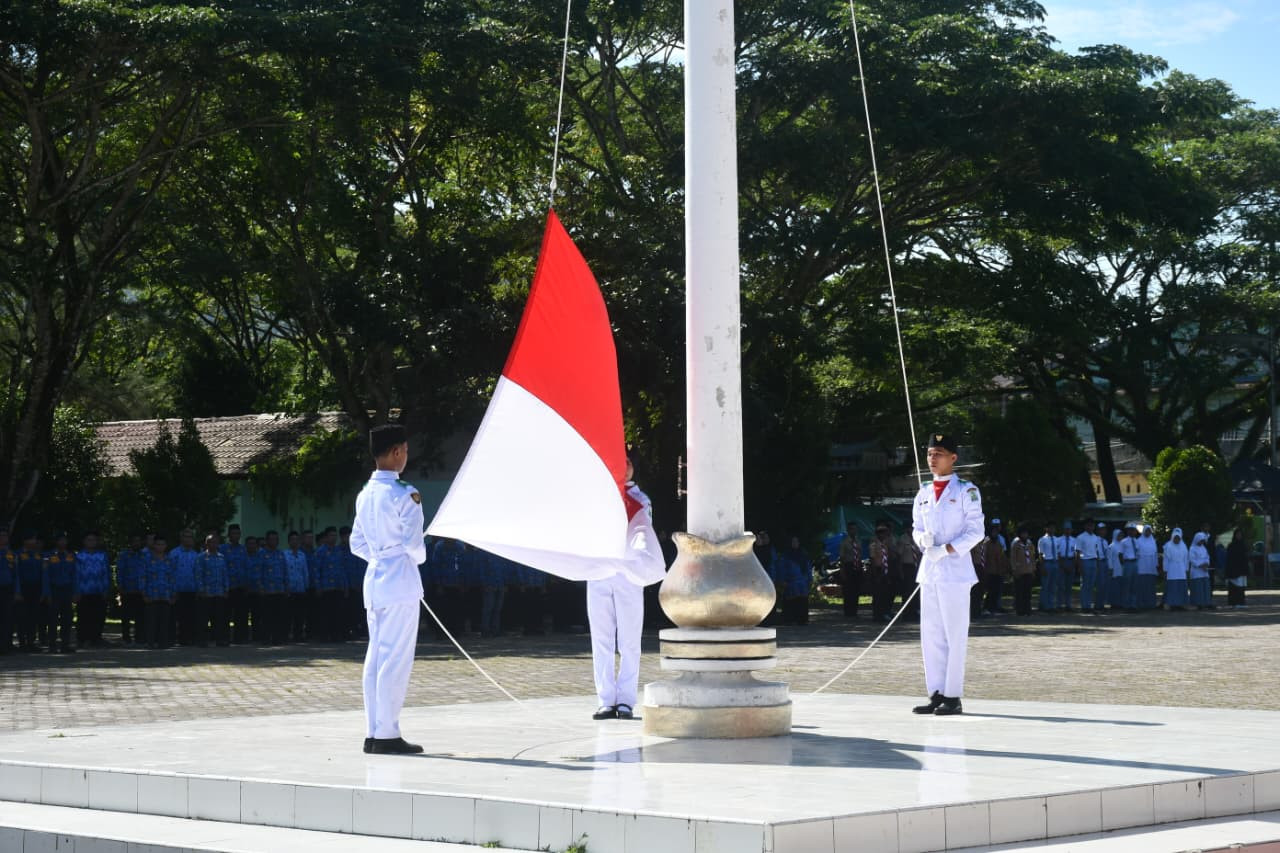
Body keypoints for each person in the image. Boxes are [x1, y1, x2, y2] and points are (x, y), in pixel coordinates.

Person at [350, 423, 426, 754]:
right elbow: (415, 547)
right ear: (396, 452)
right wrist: (406, 558)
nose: (406, 457)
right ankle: (387, 733)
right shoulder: (404, 493)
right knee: (394, 659)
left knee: (376, 657)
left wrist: (380, 558)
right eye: (405, 451)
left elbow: (356, 543)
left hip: (376, 579)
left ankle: (374, 730)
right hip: (400, 582)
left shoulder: (365, 494)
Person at [911, 433, 984, 716]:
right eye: (930, 453)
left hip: (955, 570)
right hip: (929, 570)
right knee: (931, 634)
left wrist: (947, 549)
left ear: (953, 457)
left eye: (938, 453)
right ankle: (936, 692)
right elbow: (916, 527)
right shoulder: (923, 491)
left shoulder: (967, 490)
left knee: (955, 634)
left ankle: (953, 695)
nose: (932, 459)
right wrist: (923, 542)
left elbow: (976, 531)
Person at [586, 458, 654, 720]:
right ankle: (605, 699)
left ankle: (625, 700)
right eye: (619, 462)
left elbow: (643, 531)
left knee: (629, 639)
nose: (623, 467)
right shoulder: (597, 496)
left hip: (628, 573)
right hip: (600, 571)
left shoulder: (640, 499)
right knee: (601, 638)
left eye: (627, 462)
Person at [42, 533, 77, 653]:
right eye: (60, 540)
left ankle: (65, 645)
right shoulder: (48, 556)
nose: (63, 543)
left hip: (67, 590)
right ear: (56, 542)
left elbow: (74, 575)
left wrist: (75, 592)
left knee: (67, 619)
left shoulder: (71, 556)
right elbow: (45, 575)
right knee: (52, 619)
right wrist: (47, 593)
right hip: (54, 590)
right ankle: (52, 645)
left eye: (65, 540)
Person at [75, 532, 111, 647]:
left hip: (99, 590)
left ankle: (96, 638)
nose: (91, 542)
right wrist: (76, 591)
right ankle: (82, 639)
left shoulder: (102, 555)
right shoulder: (79, 556)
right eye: (89, 540)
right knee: (83, 616)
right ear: (84, 541)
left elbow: (106, 572)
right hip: (84, 591)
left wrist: (106, 589)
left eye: (93, 540)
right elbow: (76, 574)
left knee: (99, 615)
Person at [143, 535, 176, 649]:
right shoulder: (147, 559)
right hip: (152, 594)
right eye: (158, 544)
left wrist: (173, 594)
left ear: (166, 546)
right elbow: (142, 577)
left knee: (164, 620)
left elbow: (173, 578)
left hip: (166, 595)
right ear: (154, 545)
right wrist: (144, 593)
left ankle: (163, 642)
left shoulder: (170, 560)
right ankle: (150, 642)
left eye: (162, 544)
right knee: (151, 620)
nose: (160, 546)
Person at [198, 533, 230, 646]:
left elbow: (225, 574)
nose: (213, 544)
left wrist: (226, 589)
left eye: (216, 542)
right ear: (206, 544)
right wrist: (201, 590)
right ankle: (203, 640)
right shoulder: (201, 557)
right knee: (204, 618)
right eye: (211, 542)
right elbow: (198, 575)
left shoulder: (221, 557)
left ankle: (220, 639)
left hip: (219, 592)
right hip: (207, 593)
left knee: (219, 618)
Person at [15, 533, 46, 651]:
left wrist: (43, 592)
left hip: (36, 589)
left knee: (34, 616)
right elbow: (16, 574)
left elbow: (43, 574)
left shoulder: (38, 555)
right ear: (25, 541)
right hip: (23, 588)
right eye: (32, 539)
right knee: (22, 616)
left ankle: (31, 642)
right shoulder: (18, 554)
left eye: (35, 539)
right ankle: (22, 643)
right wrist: (18, 591)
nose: (34, 542)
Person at [170, 530, 201, 646]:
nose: (189, 539)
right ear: (181, 538)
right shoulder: (174, 554)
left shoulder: (196, 555)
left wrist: (199, 589)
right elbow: (170, 572)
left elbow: (198, 573)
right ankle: (178, 638)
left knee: (191, 616)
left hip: (192, 590)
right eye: (186, 536)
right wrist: (172, 590)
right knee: (179, 616)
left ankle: (190, 638)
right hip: (178, 590)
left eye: (191, 537)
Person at [773, 536, 812, 626]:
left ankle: (802, 619)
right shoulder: (786, 555)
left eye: (796, 541)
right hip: (790, 582)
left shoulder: (803, 554)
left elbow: (808, 568)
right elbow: (781, 569)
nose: (795, 543)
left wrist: (809, 579)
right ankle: (789, 619)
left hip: (802, 583)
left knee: (802, 601)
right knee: (790, 601)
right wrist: (782, 580)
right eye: (793, 542)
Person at [221, 524, 250, 644]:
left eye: (238, 533)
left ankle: (240, 638)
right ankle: (225, 638)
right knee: (226, 614)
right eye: (233, 533)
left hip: (241, 586)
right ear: (229, 535)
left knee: (241, 614)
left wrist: (247, 583)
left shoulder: (243, 549)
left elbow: (246, 566)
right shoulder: (223, 549)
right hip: (228, 586)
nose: (236, 536)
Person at [258, 531, 288, 644]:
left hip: (279, 589)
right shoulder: (261, 554)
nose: (274, 541)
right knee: (267, 616)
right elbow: (259, 571)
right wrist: (260, 587)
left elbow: (285, 571)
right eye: (271, 539)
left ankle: (277, 637)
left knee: (279, 615)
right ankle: (266, 637)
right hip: (267, 590)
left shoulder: (280, 554)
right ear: (267, 540)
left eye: (276, 539)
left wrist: (286, 586)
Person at [116, 534, 147, 645]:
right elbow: (120, 571)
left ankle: (140, 637)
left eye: (138, 541)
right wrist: (120, 586)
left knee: (140, 616)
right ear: (130, 543)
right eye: (134, 541)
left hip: (140, 590)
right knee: (126, 616)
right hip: (127, 589)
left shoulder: (144, 555)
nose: (136, 543)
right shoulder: (124, 555)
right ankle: (126, 637)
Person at [867, 523, 898, 622]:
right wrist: (875, 573)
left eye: (884, 533)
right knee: (877, 594)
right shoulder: (873, 545)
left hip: (885, 569)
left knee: (885, 593)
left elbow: (888, 557)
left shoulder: (885, 545)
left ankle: (884, 612)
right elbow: (872, 559)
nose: (883, 535)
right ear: (877, 534)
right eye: (880, 533)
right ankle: (877, 614)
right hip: (877, 569)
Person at [283, 532, 310, 642]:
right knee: (288, 614)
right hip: (289, 589)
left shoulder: (302, 555)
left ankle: (298, 635)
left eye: (296, 540)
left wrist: (306, 586)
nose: (295, 542)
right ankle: (288, 635)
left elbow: (305, 571)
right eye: (292, 540)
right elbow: (284, 571)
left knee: (300, 614)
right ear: (289, 542)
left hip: (300, 588)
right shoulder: (284, 554)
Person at [1009, 526, 1036, 617]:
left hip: (1028, 570)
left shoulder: (1029, 543)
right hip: (1019, 571)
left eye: (1026, 533)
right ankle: (1019, 610)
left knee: (1027, 592)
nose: (1025, 535)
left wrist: (1033, 569)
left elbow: (1032, 556)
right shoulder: (1016, 543)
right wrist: (1014, 570)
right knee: (1019, 591)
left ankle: (1027, 609)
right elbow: (1013, 557)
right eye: (1023, 533)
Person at [838, 522, 862, 619]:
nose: (854, 531)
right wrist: (842, 570)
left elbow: (859, 554)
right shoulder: (844, 542)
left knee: (856, 589)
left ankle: (854, 611)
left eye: (855, 529)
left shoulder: (858, 541)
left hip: (857, 566)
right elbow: (842, 557)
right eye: (851, 529)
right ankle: (848, 611)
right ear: (848, 530)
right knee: (848, 589)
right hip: (848, 566)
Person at [1163, 528, 1189, 611]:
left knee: (1181, 586)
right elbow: (1166, 559)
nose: (1177, 539)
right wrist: (1165, 570)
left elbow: (1186, 558)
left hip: (1181, 568)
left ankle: (1180, 604)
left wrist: (1186, 568)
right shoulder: (1168, 546)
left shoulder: (1183, 546)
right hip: (1172, 568)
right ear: (1172, 537)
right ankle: (1172, 604)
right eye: (1175, 538)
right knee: (1173, 587)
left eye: (1178, 538)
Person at [1136, 525, 1159, 610]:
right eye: (1146, 531)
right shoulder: (1138, 541)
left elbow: (1155, 554)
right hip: (1141, 566)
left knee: (1150, 586)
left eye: (1149, 531)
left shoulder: (1153, 541)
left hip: (1151, 566)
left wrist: (1156, 565)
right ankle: (1141, 604)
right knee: (1141, 585)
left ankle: (1151, 604)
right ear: (1143, 531)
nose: (1148, 532)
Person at [1056, 522, 1077, 612]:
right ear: (1063, 530)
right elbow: (1058, 553)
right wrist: (1062, 565)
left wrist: (1073, 565)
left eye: (1069, 529)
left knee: (1069, 586)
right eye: (1066, 529)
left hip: (1071, 561)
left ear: (1071, 530)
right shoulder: (1059, 540)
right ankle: (1059, 605)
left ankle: (1068, 605)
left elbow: (1076, 553)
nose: (1068, 531)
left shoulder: (1074, 540)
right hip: (1062, 561)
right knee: (1061, 585)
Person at [1117, 525, 1139, 612]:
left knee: (1134, 585)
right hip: (1128, 563)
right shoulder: (1123, 541)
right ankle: (1126, 605)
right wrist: (1124, 564)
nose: (1132, 532)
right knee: (1127, 585)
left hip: (1135, 563)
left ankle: (1133, 605)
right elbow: (1120, 554)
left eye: (1133, 530)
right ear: (1127, 531)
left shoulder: (1136, 541)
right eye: (1130, 530)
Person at [1037, 525, 1058, 613]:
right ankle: (1044, 606)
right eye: (1050, 527)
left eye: (1053, 527)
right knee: (1045, 585)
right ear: (1046, 528)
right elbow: (1040, 554)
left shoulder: (1057, 539)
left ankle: (1051, 605)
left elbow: (1058, 552)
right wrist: (1042, 566)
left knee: (1053, 586)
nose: (1052, 529)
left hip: (1055, 563)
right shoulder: (1042, 539)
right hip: (1047, 562)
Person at [1189, 532, 1213, 610]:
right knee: (1198, 588)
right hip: (1196, 571)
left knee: (1205, 587)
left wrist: (1206, 563)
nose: (1202, 542)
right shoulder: (1192, 548)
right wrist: (1200, 565)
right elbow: (1192, 559)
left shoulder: (1203, 548)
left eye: (1203, 541)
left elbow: (1207, 557)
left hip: (1204, 571)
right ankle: (1198, 603)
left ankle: (1207, 602)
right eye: (1200, 540)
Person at [1225, 529, 1248, 609]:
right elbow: (1229, 559)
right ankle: (1233, 602)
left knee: (1241, 587)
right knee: (1234, 587)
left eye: (1240, 534)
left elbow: (1245, 558)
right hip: (1233, 570)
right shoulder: (1231, 546)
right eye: (1237, 534)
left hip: (1242, 570)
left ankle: (1241, 602)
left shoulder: (1243, 545)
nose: (1239, 536)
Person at [0, 528, 14, 653]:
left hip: (8, 588)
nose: (4, 538)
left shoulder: (10, 552)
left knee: (8, 617)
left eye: (5, 536)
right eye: (2, 536)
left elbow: (14, 570)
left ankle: (7, 644)